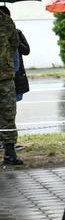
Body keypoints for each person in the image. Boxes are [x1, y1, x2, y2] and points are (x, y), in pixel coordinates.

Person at [0, 8, 22, 165]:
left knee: (8, 113)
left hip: (4, 76)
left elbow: (15, 44)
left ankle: (9, 152)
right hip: (5, 74)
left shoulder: (6, 21)